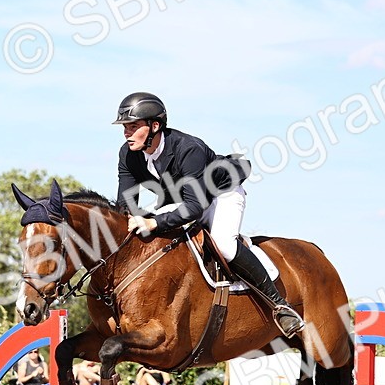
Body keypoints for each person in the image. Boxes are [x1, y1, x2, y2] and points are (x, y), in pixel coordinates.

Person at [112, 91, 305, 338]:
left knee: (224, 245)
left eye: (133, 126)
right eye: (125, 127)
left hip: (221, 195)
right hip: (182, 200)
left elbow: (194, 208)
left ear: (155, 126)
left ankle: (280, 305)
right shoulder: (128, 154)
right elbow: (125, 205)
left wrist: (153, 222)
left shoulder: (188, 149)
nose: (126, 133)